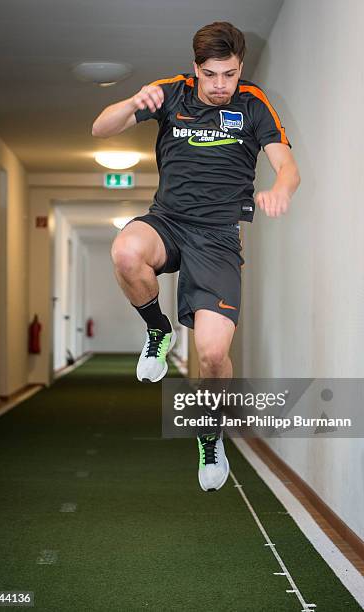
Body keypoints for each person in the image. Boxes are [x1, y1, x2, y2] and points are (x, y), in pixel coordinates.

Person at [92, 21, 301, 492]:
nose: (221, 85)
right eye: (211, 75)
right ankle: (158, 329)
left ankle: (210, 434)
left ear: (240, 68)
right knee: (126, 251)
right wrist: (130, 104)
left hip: (218, 237)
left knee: (211, 355)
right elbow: (99, 128)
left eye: (229, 74)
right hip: (168, 220)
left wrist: (280, 190)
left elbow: (287, 166)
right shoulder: (170, 93)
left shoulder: (253, 104)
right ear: (196, 69)